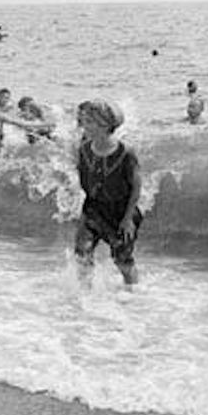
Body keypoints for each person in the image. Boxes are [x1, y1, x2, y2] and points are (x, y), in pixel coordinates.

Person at [72, 100, 142, 287]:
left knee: (122, 261)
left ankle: (133, 294)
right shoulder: (84, 150)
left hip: (121, 212)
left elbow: (136, 187)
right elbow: (84, 179)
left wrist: (128, 219)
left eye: (89, 122)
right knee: (82, 253)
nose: (83, 126)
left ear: (104, 125)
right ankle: (85, 295)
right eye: (83, 121)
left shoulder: (126, 152)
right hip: (93, 208)